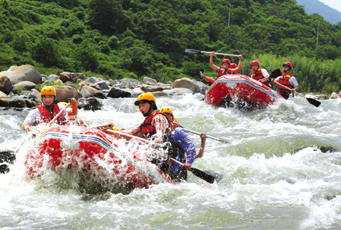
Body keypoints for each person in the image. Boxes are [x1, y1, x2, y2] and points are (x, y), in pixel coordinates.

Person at [160, 106, 206, 180]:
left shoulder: (178, 133)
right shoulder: (160, 134)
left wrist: (203, 141)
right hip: (165, 167)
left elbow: (197, 153)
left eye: (167, 116)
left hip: (177, 174)